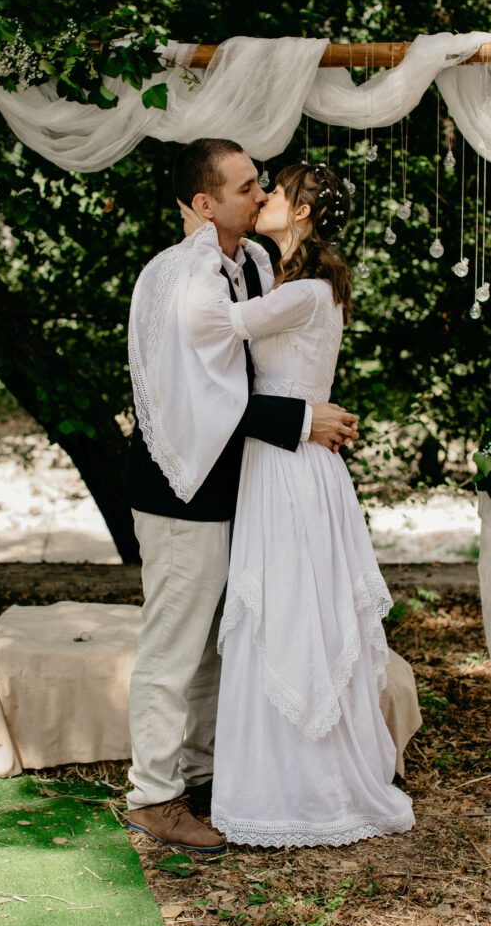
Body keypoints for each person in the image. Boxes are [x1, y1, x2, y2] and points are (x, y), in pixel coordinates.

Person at [125, 139, 359, 853]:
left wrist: (299, 408)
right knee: (174, 644)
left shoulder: (252, 265)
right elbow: (191, 390)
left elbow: (260, 369)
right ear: (204, 205)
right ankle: (151, 795)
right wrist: (297, 420)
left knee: (216, 644)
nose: (259, 197)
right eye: (245, 188)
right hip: (180, 490)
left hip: (244, 485)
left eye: (263, 186)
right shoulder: (177, 276)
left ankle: (194, 774)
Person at [181, 162, 415, 846]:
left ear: (304, 213)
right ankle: (275, 778)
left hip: (289, 469)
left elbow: (215, 325)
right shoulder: (296, 282)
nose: (265, 199)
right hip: (285, 460)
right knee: (283, 612)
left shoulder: (307, 291)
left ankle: (305, 789)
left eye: (276, 192)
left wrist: (198, 240)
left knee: (290, 614)